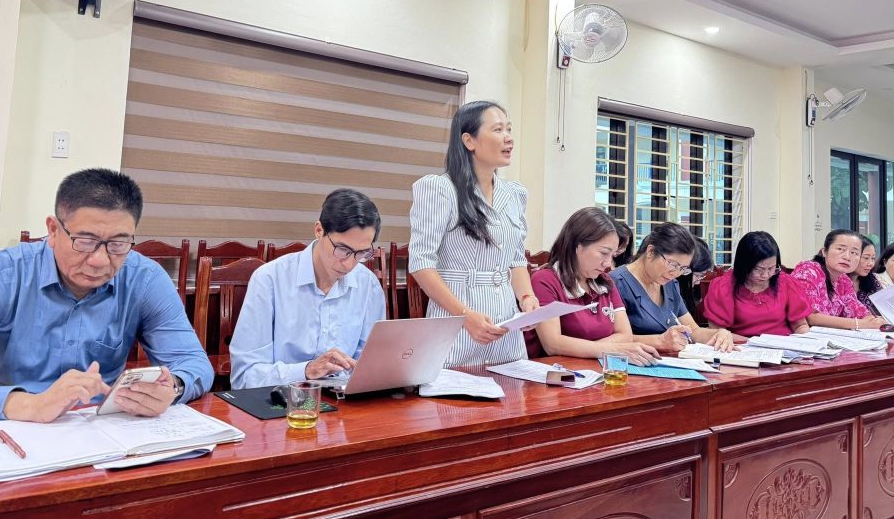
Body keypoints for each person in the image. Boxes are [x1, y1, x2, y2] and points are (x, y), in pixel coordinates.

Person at [0, 169, 213, 422]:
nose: (100, 260)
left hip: (101, 430)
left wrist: (172, 387)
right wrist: (29, 404)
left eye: (118, 244)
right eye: (85, 240)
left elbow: (193, 363)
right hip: (8, 426)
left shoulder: (145, 279)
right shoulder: (0, 275)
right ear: (53, 230)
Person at [409, 100, 538, 367]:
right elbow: (421, 263)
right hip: (456, 320)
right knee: (454, 391)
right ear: (469, 141)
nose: (509, 138)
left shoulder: (515, 194)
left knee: (512, 389)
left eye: (509, 129)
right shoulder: (440, 189)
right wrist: (465, 316)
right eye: (498, 130)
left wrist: (527, 298)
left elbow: (516, 259)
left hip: (504, 325)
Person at [229, 189, 386, 389]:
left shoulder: (368, 284)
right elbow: (244, 376)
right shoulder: (269, 279)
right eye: (342, 250)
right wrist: (306, 371)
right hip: (281, 399)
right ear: (319, 230)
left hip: (344, 402)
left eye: (361, 253)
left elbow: (370, 366)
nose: (349, 264)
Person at [525, 207, 659, 366]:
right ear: (578, 246)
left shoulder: (606, 282)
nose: (608, 263)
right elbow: (553, 344)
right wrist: (612, 349)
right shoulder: (545, 280)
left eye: (612, 255)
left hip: (597, 368)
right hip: (557, 372)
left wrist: (586, 348)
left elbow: (625, 335)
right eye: (604, 253)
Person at [611, 223, 735, 352]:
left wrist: (719, 333)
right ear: (651, 251)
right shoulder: (617, 282)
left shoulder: (670, 284)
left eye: (683, 268)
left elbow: (693, 331)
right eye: (672, 264)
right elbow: (611, 339)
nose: (675, 273)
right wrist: (660, 341)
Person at [703, 231, 811, 336]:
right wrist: (752, 343)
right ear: (744, 265)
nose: (765, 275)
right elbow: (717, 332)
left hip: (782, 345)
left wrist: (805, 339)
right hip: (741, 345)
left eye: (771, 268)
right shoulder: (724, 287)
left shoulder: (786, 283)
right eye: (758, 269)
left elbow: (800, 325)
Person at [790, 228, 886, 330]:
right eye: (840, 249)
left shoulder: (844, 280)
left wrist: (873, 320)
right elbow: (810, 317)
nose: (847, 257)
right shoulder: (808, 271)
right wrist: (860, 324)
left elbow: (861, 312)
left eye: (854, 253)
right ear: (824, 251)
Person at [850, 237, 883, 314]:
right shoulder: (837, 282)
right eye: (866, 258)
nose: (871, 264)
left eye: (873, 258)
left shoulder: (873, 280)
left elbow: (885, 307)